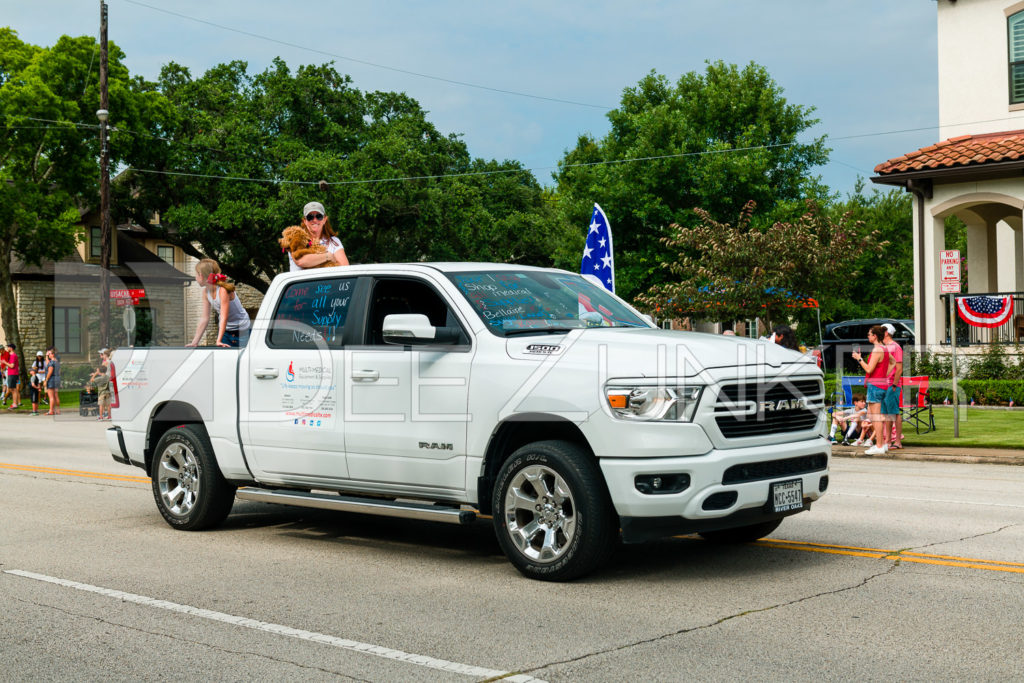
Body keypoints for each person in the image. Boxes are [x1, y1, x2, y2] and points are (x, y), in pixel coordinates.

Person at [187, 259, 252, 348]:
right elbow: (204, 318)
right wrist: (195, 342)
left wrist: (219, 340)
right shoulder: (206, 293)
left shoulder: (222, 290)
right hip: (227, 331)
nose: (195, 278)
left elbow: (223, 317)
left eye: (196, 275)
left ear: (201, 276)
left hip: (242, 332)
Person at [851, 325, 890, 455]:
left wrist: (859, 359)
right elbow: (893, 363)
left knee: (875, 417)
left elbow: (868, 369)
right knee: (874, 417)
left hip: (875, 386)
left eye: (869, 334)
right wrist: (884, 375)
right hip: (881, 385)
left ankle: (879, 445)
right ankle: (881, 444)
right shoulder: (884, 349)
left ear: (874, 336)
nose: (868, 336)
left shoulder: (877, 350)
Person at [288, 201, 349, 271]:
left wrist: (314, 259)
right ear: (304, 221)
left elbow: (345, 268)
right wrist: (328, 256)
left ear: (325, 219)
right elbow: (301, 261)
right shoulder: (295, 238)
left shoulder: (334, 241)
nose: (315, 220)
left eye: (319, 216)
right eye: (310, 217)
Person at [881, 323, 904, 449]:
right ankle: (888, 441)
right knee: (888, 414)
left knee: (894, 413)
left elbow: (899, 368)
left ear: (886, 333)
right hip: (885, 385)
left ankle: (897, 442)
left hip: (892, 385)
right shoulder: (885, 347)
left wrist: (894, 384)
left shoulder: (895, 347)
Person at [43, 346, 60, 416]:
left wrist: (46, 380)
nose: (48, 355)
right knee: (56, 396)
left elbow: (49, 372)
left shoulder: (51, 363)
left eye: (49, 354)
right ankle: (58, 410)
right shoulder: (57, 362)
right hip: (56, 379)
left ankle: (51, 411)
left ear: (52, 354)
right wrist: (47, 356)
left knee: (51, 397)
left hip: (51, 380)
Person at [4, 342, 21, 410]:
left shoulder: (13, 355)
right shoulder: (11, 355)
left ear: (11, 348)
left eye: (8, 347)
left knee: (13, 389)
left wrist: (5, 362)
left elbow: (12, 365)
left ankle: (15, 404)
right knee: (12, 389)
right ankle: (15, 403)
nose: (7, 348)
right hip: (13, 374)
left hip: (13, 374)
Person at [29, 350, 46, 416]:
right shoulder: (35, 362)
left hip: (42, 376)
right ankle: (36, 410)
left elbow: (33, 384)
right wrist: (38, 387)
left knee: (33, 401)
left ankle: (34, 411)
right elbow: (33, 368)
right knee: (35, 400)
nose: (39, 357)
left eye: (40, 356)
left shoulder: (33, 377)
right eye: (38, 356)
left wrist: (37, 387)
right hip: (38, 376)